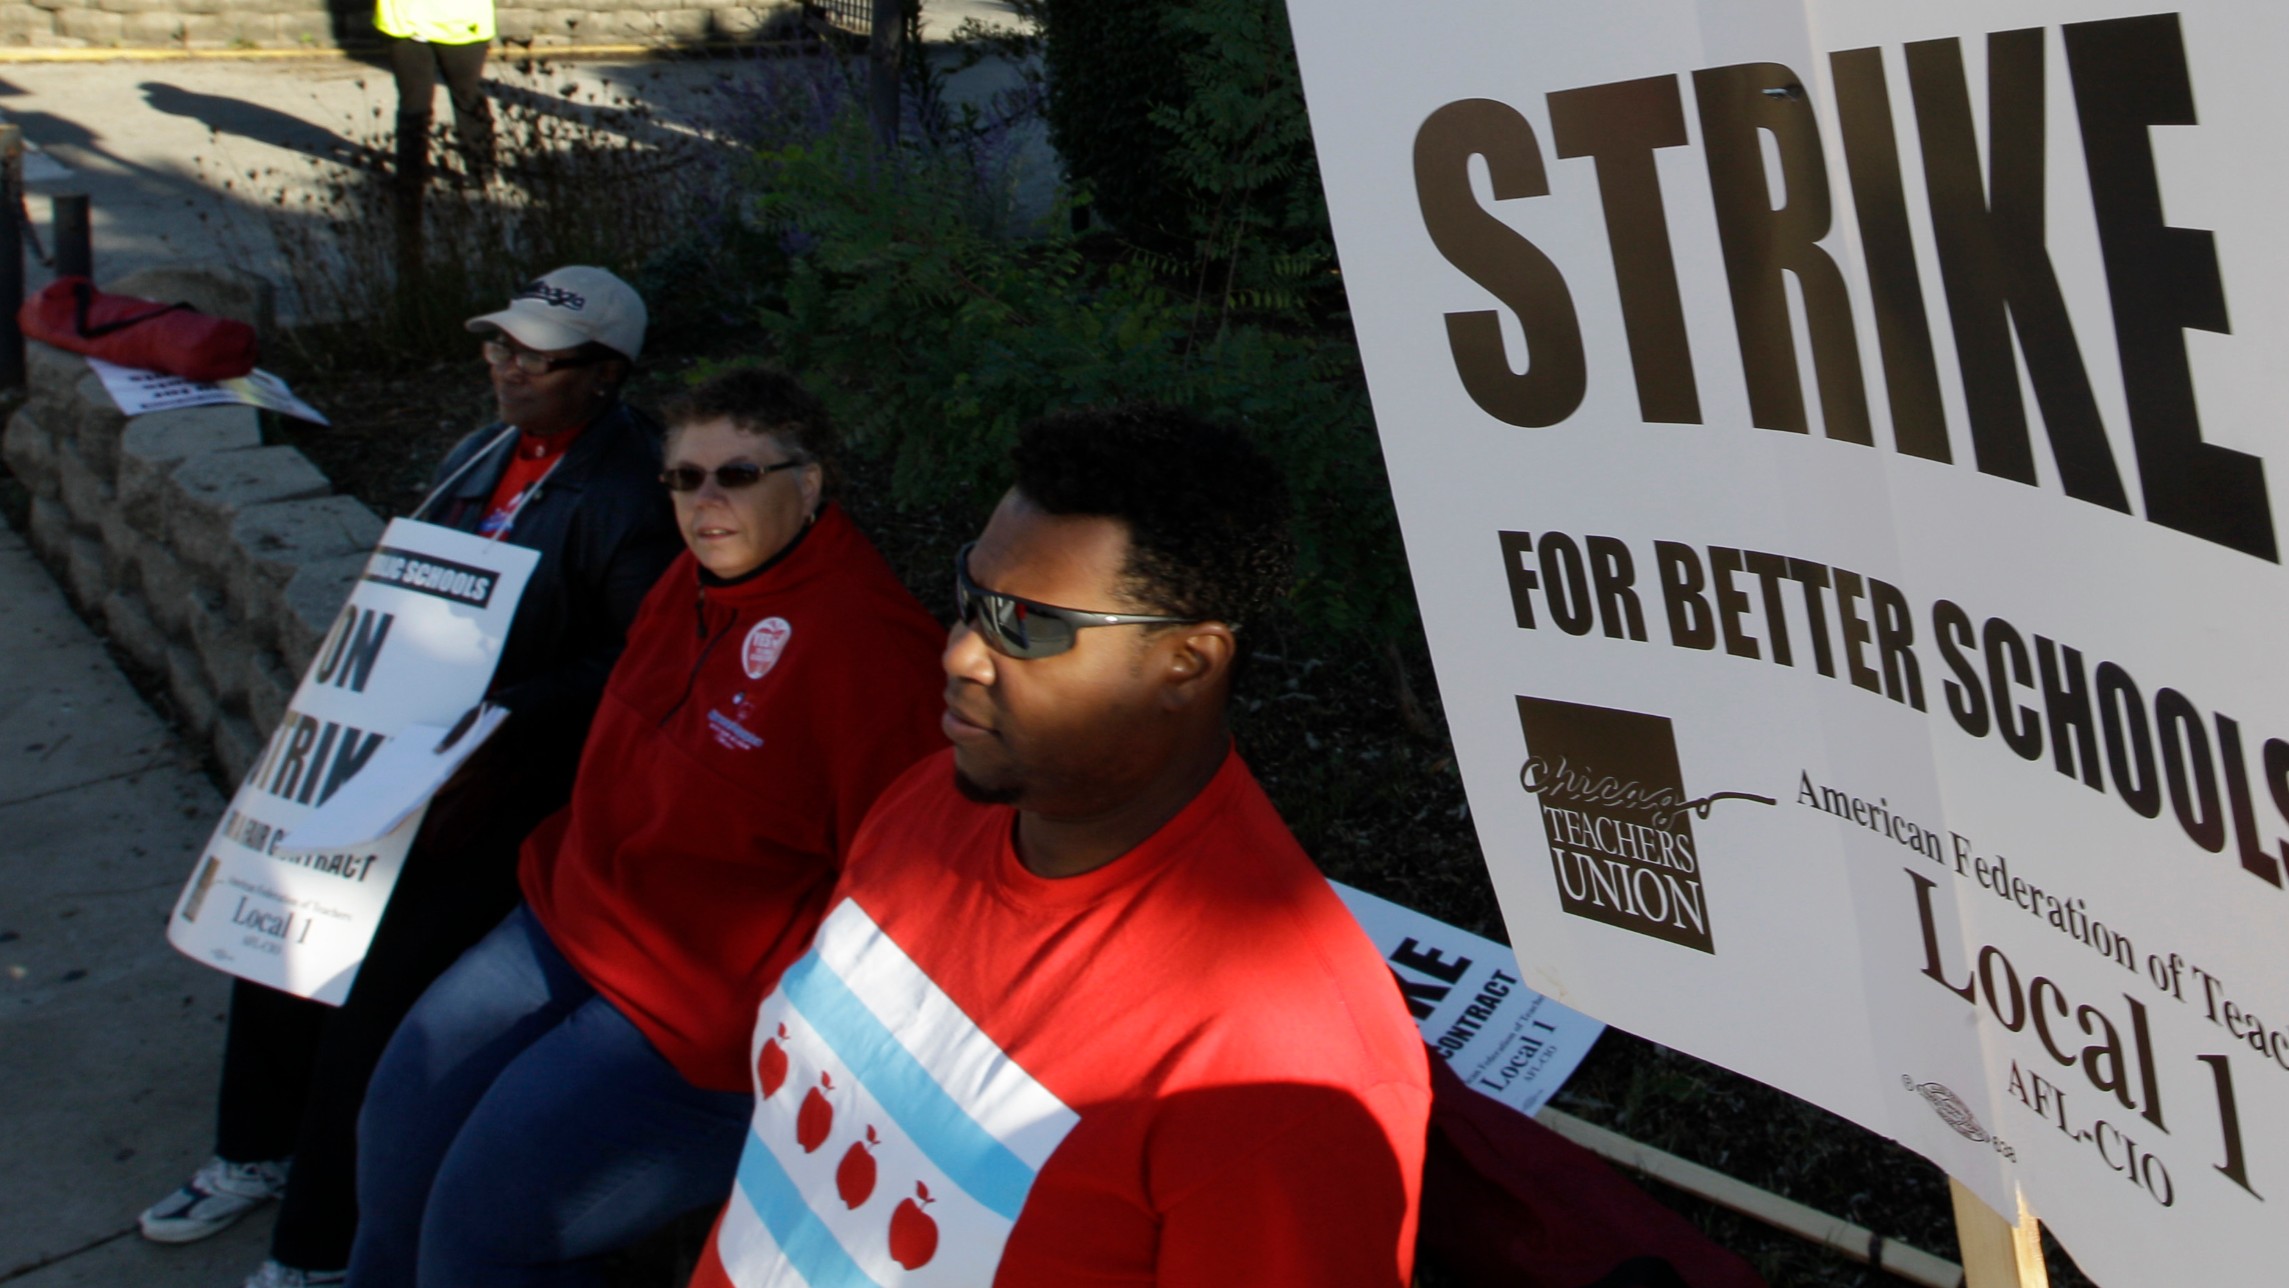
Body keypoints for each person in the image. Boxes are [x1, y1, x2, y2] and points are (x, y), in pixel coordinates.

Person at [689, 407, 1433, 1287]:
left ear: (1186, 663)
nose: (961, 653)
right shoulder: (931, 800)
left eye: (1026, 627)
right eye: (970, 596)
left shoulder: (1281, 1063)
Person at [138, 267, 683, 1288]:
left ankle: (317, 1245)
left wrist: (500, 717)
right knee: (276, 915)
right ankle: (254, 1148)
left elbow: (630, 665)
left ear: (605, 374)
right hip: (398, 755)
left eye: (536, 356)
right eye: (499, 348)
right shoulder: (483, 453)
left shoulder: (628, 495)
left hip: (501, 794)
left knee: (376, 987)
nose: (507, 368)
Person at [347, 367, 948, 1288]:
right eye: (683, 478)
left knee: (478, 1238)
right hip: (566, 922)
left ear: (812, 482)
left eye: (738, 475)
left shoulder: (872, 653)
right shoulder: (686, 582)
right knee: (393, 1144)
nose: (705, 502)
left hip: (690, 1014)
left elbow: (905, 897)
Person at [376, 0, 496, 190]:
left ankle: (482, 169)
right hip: (404, 22)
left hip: (462, 23)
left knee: (466, 97)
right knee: (415, 103)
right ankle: (410, 177)